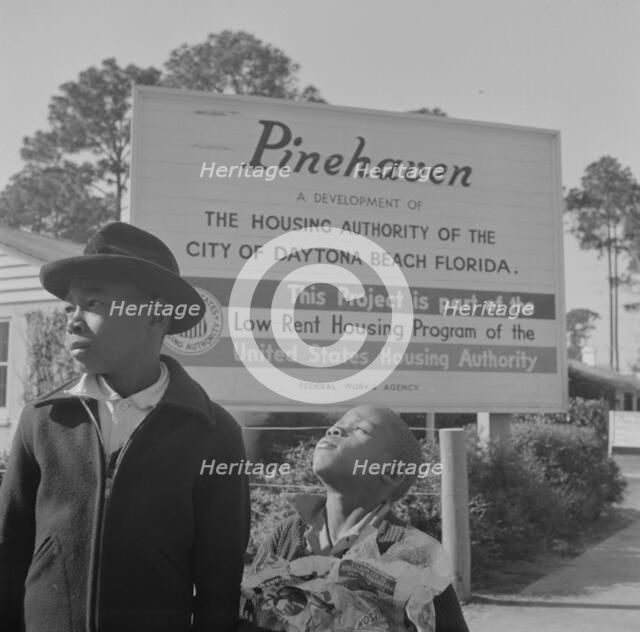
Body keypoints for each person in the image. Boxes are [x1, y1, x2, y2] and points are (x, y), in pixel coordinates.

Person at [0, 222, 250, 632]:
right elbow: (8, 552)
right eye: (69, 307)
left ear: (156, 315)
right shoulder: (44, 419)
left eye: (93, 303)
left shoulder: (213, 433)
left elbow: (219, 582)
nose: (72, 321)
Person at [243, 404, 469, 632]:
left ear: (392, 472)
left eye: (361, 429)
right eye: (335, 427)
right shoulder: (286, 533)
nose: (334, 431)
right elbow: (247, 609)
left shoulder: (417, 555)